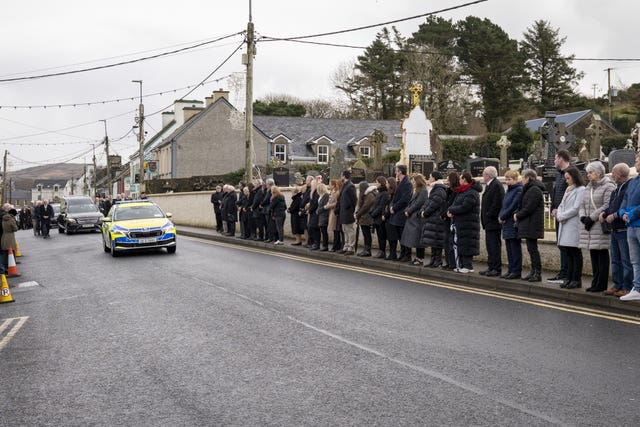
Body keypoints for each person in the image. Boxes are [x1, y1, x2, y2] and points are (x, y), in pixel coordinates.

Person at [579, 161, 616, 292]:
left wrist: (591, 217)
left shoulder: (608, 186)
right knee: (594, 254)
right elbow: (582, 204)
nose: (588, 175)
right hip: (589, 225)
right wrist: (583, 217)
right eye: (587, 172)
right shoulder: (588, 187)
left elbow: (607, 205)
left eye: (591, 172)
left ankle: (601, 284)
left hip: (599, 224)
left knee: (602, 255)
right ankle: (595, 282)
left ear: (599, 173)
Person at [601, 163, 633, 297]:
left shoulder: (628, 188)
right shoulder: (616, 189)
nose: (611, 174)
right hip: (614, 230)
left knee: (625, 260)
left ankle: (627, 287)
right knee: (615, 259)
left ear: (620, 174)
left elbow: (623, 207)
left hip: (623, 229)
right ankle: (617, 284)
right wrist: (604, 213)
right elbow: (612, 206)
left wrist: (613, 215)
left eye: (613, 172)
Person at [555, 167, 586, 289]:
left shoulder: (581, 190)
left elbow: (576, 207)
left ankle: (576, 279)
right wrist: (560, 215)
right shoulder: (568, 189)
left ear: (574, 177)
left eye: (568, 178)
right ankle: (569, 277)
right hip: (565, 223)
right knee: (568, 252)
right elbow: (562, 205)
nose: (566, 181)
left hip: (573, 224)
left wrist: (562, 216)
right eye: (565, 178)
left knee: (575, 253)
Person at [514, 169, 545, 282]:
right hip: (528, 223)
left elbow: (529, 207)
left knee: (533, 249)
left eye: (523, 177)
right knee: (531, 249)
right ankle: (533, 271)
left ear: (528, 178)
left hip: (533, 224)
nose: (521, 179)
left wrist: (518, 215)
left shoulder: (534, 190)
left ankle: (537, 273)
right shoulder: (528, 189)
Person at [447, 171, 481, 273]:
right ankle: (462, 265)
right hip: (461, 223)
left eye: (461, 178)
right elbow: (454, 204)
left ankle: (468, 266)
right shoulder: (462, 191)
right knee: (461, 244)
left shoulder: (471, 192)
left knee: (467, 244)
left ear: (464, 180)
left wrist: (452, 210)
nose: (459, 180)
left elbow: (465, 207)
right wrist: (450, 210)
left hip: (468, 223)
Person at [549, 149, 572, 284]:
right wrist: (553, 208)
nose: (554, 161)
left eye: (555, 158)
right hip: (558, 214)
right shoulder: (559, 174)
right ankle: (563, 272)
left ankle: (566, 274)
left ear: (561, 159)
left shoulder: (571, 173)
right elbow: (556, 192)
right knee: (561, 244)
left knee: (566, 245)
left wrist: (562, 210)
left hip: (566, 215)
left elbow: (569, 195)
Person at [620, 152, 640, 301]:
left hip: (637, 223)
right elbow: (625, 201)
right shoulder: (633, 182)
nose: (635, 163)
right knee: (634, 259)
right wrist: (622, 213)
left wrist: (631, 214)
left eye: (638, 160)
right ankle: (637, 288)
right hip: (631, 226)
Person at [479, 166, 505, 277]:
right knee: (490, 246)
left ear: (488, 175)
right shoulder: (490, 185)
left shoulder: (496, 185)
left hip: (493, 222)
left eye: (484, 174)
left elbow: (497, 204)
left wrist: (489, 215)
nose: (483, 176)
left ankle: (496, 268)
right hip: (489, 222)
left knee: (494, 246)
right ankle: (491, 267)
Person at [498, 170, 523, 279]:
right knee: (509, 247)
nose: (507, 182)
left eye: (509, 179)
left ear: (516, 180)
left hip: (512, 222)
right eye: (506, 179)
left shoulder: (518, 190)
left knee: (514, 247)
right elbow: (504, 205)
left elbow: (513, 206)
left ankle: (516, 270)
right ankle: (510, 269)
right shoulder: (509, 190)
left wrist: (502, 216)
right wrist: (500, 216)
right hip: (506, 222)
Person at [419, 171, 447, 268]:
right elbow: (428, 202)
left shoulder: (439, 190)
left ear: (434, 178)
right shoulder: (434, 189)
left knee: (437, 241)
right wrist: (422, 210)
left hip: (437, 219)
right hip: (432, 219)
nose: (429, 178)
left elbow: (434, 204)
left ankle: (437, 260)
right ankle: (433, 260)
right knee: (433, 241)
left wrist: (425, 212)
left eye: (430, 177)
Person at [400, 173, 429, 265]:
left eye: (414, 181)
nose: (413, 183)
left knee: (418, 239)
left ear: (418, 181)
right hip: (413, 218)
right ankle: (417, 257)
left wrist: (409, 211)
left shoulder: (423, 191)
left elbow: (419, 203)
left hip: (418, 219)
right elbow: (411, 203)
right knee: (415, 239)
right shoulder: (417, 190)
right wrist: (407, 209)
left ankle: (420, 258)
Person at [389, 164, 413, 262]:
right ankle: (403, 254)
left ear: (400, 172)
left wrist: (394, 207)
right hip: (397, 212)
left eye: (397, 171)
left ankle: (407, 255)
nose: (395, 172)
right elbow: (395, 197)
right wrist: (391, 206)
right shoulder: (400, 182)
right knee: (400, 236)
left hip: (401, 213)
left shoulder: (407, 183)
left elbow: (405, 199)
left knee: (404, 235)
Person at [442, 172, 460, 270]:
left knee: (451, 243)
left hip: (451, 220)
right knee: (446, 242)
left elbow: (451, 205)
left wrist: (447, 213)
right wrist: (443, 214)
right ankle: (448, 262)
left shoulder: (456, 192)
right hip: (446, 218)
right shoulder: (448, 191)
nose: (446, 181)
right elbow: (444, 204)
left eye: (448, 179)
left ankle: (452, 263)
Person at [369, 176, 389, 259]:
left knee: (382, 236)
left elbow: (381, 206)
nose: (375, 183)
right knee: (379, 235)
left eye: (376, 182)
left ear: (380, 183)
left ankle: (382, 251)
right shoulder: (379, 192)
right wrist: (371, 211)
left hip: (380, 218)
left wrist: (373, 213)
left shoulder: (384, 193)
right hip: (376, 217)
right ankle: (380, 251)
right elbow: (375, 204)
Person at [355, 181, 376, 257]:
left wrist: (358, 214)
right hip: (364, 217)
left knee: (367, 235)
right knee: (365, 234)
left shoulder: (369, 195)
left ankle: (367, 250)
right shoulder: (366, 195)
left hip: (367, 218)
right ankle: (366, 249)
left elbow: (365, 207)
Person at [339, 170, 357, 256]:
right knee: (344, 230)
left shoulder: (351, 186)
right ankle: (345, 247)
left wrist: (349, 209)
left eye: (341, 175)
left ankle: (351, 248)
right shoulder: (345, 185)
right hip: (343, 211)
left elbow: (354, 200)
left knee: (350, 230)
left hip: (348, 212)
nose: (340, 177)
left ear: (344, 176)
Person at [325, 179, 343, 252]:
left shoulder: (337, 193)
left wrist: (328, 206)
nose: (329, 185)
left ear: (334, 185)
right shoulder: (332, 192)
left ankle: (336, 246)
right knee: (334, 230)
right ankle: (336, 246)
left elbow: (336, 203)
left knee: (336, 230)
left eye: (330, 184)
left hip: (335, 213)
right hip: (332, 212)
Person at [316, 183, 331, 251]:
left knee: (324, 232)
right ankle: (324, 245)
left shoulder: (326, 196)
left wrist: (319, 210)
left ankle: (325, 246)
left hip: (324, 215)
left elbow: (325, 206)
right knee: (323, 231)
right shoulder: (321, 196)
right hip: (321, 216)